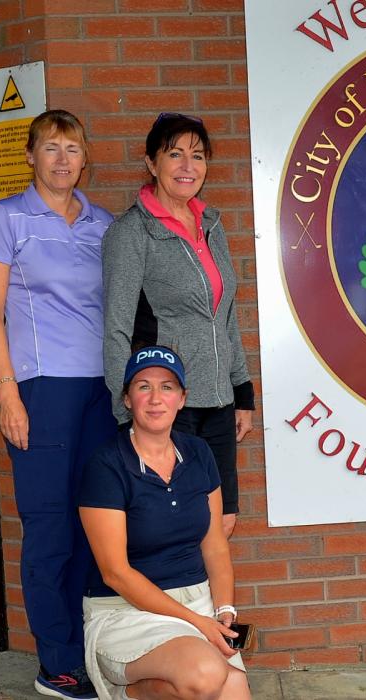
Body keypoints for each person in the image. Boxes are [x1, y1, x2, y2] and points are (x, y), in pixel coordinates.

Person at [0, 109, 116, 699]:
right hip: (39, 388)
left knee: (96, 527)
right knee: (51, 528)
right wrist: (8, 391)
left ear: (86, 159)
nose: (62, 159)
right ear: (30, 156)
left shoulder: (103, 223)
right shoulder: (6, 218)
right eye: (51, 148)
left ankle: (88, 652)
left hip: (100, 394)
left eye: (73, 149)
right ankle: (56, 665)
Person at [102, 113, 254, 538]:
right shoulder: (131, 233)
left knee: (221, 520)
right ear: (152, 163)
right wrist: (125, 409)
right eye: (175, 154)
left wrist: (241, 391)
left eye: (198, 156)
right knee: (172, 525)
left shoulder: (211, 226)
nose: (188, 166)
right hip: (165, 406)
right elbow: (116, 328)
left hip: (218, 402)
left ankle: (207, 607)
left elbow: (224, 315)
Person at [80, 346, 249, 700]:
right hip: (126, 612)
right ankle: (131, 693)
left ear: (182, 399)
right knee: (205, 675)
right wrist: (198, 624)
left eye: (167, 387)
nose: (156, 398)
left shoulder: (199, 452)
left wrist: (224, 611)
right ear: (127, 399)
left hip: (197, 601)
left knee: (233, 688)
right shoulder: (106, 465)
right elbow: (115, 573)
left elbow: (215, 544)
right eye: (143, 387)